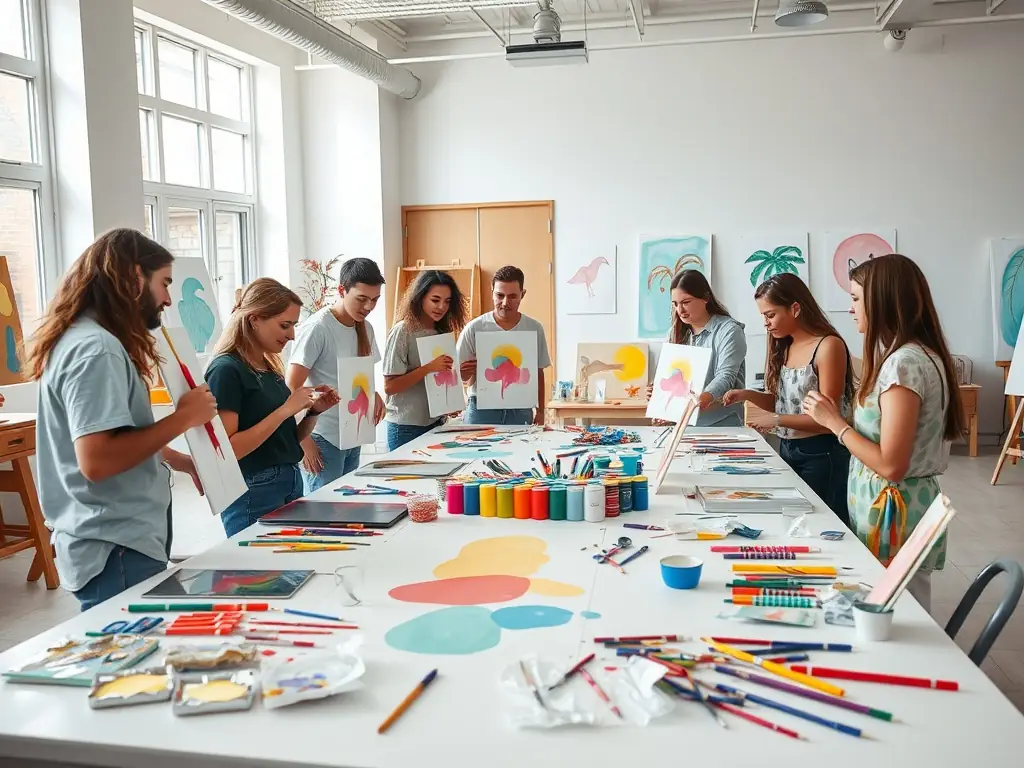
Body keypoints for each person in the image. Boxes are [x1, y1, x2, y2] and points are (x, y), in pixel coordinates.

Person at [28, 229, 215, 610]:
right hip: (115, 546)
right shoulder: (98, 350)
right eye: (163, 283)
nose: (167, 298)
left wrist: (175, 458)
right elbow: (97, 460)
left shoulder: (87, 340)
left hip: (116, 541)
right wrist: (183, 418)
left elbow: (114, 432)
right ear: (133, 279)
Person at [804, 254, 963, 611]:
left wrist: (835, 423)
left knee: (901, 612)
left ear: (883, 301)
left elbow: (891, 465)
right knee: (896, 606)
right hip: (892, 505)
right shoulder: (912, 356)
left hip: (895, 509)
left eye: (856, 298)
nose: (850, 309)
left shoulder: (904, 364)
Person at [207, 279, 340, 537]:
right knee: (257, 572)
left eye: (293, 326)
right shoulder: (226, 370)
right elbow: (228, 450)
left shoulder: (268, 368)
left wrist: (313, 412)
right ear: (255, 319)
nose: (291, 335)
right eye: (284, 325)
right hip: (253, 487)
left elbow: (285, 439)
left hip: (288, 480)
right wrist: (285, 410)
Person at [724, 273, 855, 523]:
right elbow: (784, 404)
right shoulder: (785, 346)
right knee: (794, 523)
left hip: (822, 454)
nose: (766, 323)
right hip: (788, 448)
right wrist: (748, 396)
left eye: (770, 315)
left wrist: (774, 419)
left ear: (795, 308)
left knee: (822, 524)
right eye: (763, 316)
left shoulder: (828, 346)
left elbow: (829, 419)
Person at [287, 258, 385, 492]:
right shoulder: (318, 328)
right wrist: (303, 440)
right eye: (362, 299)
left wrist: (374, 393)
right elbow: (290, 387)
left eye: (375, 300)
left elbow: (357, 374)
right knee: (326, 513)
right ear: (341, 290)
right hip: (322, 436)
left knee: (347, 506)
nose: (369, 307)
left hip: (353, 432)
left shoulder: (365, 328)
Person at [383, 270, 468, 450]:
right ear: (420, 297)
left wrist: (448, 404)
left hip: (436, 423)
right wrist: (427, 368)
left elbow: (437, 381)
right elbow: (390, 387)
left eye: (447, 302)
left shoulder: (442, 331)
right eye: (435, 300)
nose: (441, 307)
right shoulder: (403, 331)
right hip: (405, 426)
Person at [650, 270, 746, 426]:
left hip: (722, 426)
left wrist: (701, 399)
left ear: (705, 298)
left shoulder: (729, 331)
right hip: (683, 426)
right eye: (675, 304)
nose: (680, 310)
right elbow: (673, 376)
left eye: (686, 302)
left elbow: (725, 376)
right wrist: (657, 393)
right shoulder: (674, 333)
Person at [456, 266, 551, 426]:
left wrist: (541, 411)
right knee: (478, 451)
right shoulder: (474, 328)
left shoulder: (534, 328)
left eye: (513, 296)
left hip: (520, 409)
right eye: (500, 295)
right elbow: (459, 376)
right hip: (481, 410)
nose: (505, 303)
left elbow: (538, 372)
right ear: (492, 291)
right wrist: (467, 372)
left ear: (523, 294)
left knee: (520, 450)